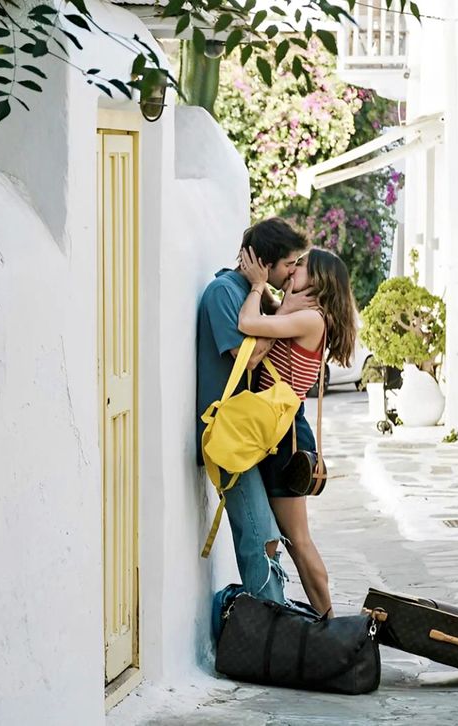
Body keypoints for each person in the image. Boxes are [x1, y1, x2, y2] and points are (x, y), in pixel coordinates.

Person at [196, 218, 316, 604]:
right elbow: (248, 357)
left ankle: (275, 617)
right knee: (259, 534)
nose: (293, 273)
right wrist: (270, 301)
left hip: (253, 433)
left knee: (269, 539)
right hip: (230, 435)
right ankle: (271, 623)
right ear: (264, 264)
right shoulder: (223, 292)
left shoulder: (256, 295)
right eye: (289, 264)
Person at [237, 245, 358, 617]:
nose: (291, 271)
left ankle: (330, 623)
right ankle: (283, 618)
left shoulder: (311, 319)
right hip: (278, 429)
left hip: (284, 437)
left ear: (318, 278)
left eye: (300, 266)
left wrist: (257, 286)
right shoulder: (302, 314)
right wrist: (281, 300)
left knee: (298, 541)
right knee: (280, 539)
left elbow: (248, 323)